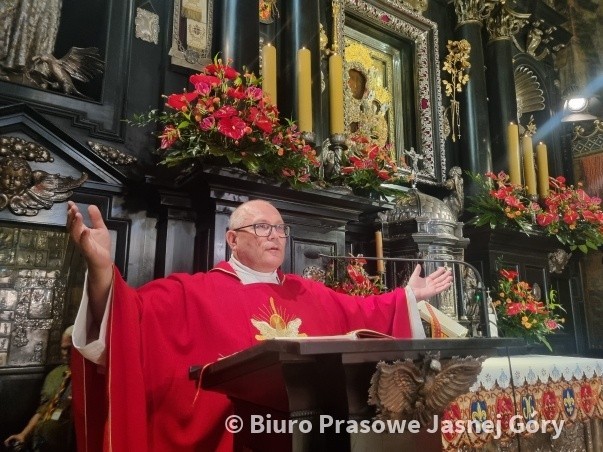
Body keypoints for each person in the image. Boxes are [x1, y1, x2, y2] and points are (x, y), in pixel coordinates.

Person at [67, 199, 452, 451]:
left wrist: (406, 297)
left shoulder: (309, 293)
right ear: (233, 239)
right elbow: (125, 318)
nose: (276, 236)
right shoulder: (190, 292)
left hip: (314, 435)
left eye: (280, 229)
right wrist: (102, 271)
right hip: (233, 437)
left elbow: (363, 314)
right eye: (263, 228)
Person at [4, 326, 75, 452]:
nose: (65, 354)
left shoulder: (87, 384)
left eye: (70, 349)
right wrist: (23, 435)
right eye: (63, 349)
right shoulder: (55, 374)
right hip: (41, 444)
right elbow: (42, 409)